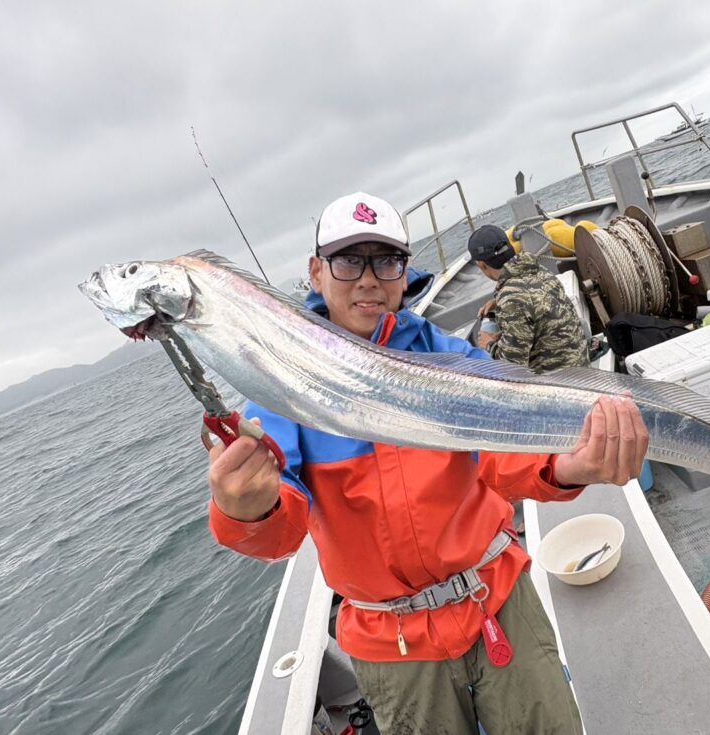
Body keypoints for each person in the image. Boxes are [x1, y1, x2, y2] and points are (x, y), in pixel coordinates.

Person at [206, 192, 649, 735]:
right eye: (349, 261)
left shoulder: (449, 357)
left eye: (386, 261)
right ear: (316, 271)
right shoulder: (284, 386)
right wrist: (247, 508)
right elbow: (280, 536)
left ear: (404, 272)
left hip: (496, 599)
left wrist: (565, 468)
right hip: (391, 641)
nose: (369, 280)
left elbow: (500, 456)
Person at [468, 224, 590, 373]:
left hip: (560, 380)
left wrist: (489, 345)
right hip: (579, 364)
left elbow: (512, 367)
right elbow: (533, 311)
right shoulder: (539, 271)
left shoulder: (511, 301)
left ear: (481, 264)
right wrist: (498, 303)